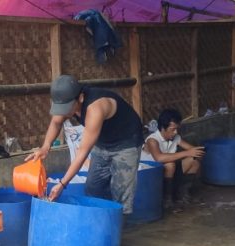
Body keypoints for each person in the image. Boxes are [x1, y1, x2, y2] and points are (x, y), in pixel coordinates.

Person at [26, 75, 144, 218]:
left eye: (67, 108)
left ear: (80, 98)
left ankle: (116, 232)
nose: (64, 112)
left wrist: (62, 184)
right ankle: (100, 222)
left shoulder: (96, 108)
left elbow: (82, 153)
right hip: (103, 140)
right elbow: (56, 122)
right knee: (93, 187)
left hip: (127, 141)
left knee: (121, 194)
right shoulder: (69, 101)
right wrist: (45, 147)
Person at [140, 109, 204, 208]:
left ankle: (182, 194)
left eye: (177, 129)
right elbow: (159, 158)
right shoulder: (152, 140)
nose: (175, 132)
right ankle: (167, 199)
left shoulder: (175, 137)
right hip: (152, 177)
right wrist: (187, 152)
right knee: (170, 165)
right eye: (172, 129)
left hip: (170, 173)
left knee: (194, 161)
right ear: (162, 128)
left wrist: (199, 151)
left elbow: (191, 149)